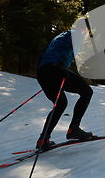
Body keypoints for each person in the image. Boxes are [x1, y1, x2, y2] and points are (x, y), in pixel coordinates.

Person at [36, 23, 94, 151]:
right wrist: (62, 63)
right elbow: (68, 47)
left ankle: (43, 139)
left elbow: (44, 53)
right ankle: (74, 129)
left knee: (60, 104)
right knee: (87, 92)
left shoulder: (61, 35)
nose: (87, 36)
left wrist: (46, 74)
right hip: (56, 68)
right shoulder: (77, 34)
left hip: (43, 71)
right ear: (85, 29)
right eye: (88, 33)